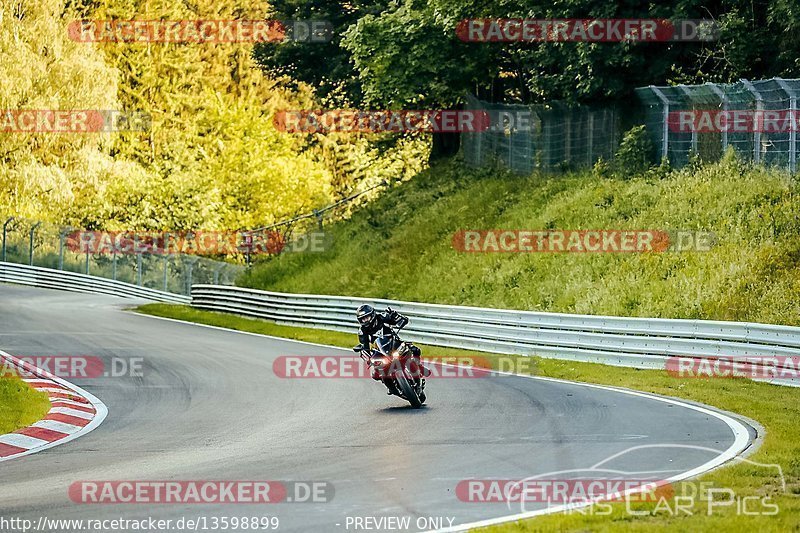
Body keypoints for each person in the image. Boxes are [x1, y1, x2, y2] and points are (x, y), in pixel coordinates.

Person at [353, 304, 426, 396]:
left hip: (394, 343)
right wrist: (367, 357)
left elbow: (400, 320)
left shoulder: (382, 317)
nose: (365, 320)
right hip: (380, 350)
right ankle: (391, 386)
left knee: (415, 350)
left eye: (367, 317)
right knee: (375, 374)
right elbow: (365, 347)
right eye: (363, 319)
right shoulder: (362, 331)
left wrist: (396, 316)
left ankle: (419, 367)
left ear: (372, 315)